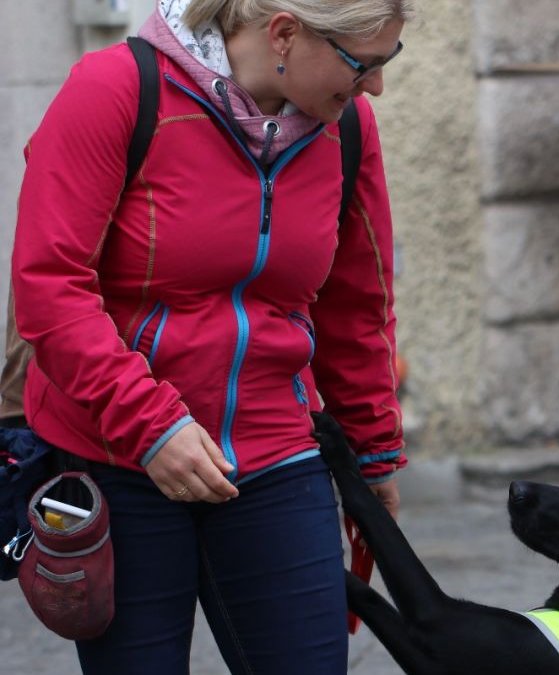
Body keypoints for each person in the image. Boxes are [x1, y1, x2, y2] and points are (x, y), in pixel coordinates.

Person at [10, 0, 413, 672]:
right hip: (119, 456)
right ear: (284, 34)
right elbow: (49, 286)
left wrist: (374, 455)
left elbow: (357, 306)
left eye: (386, 61)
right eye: (361, 64)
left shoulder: (347, 128)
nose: (375, 86)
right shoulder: (116, 90)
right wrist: (151, 425)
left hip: (277, 453)